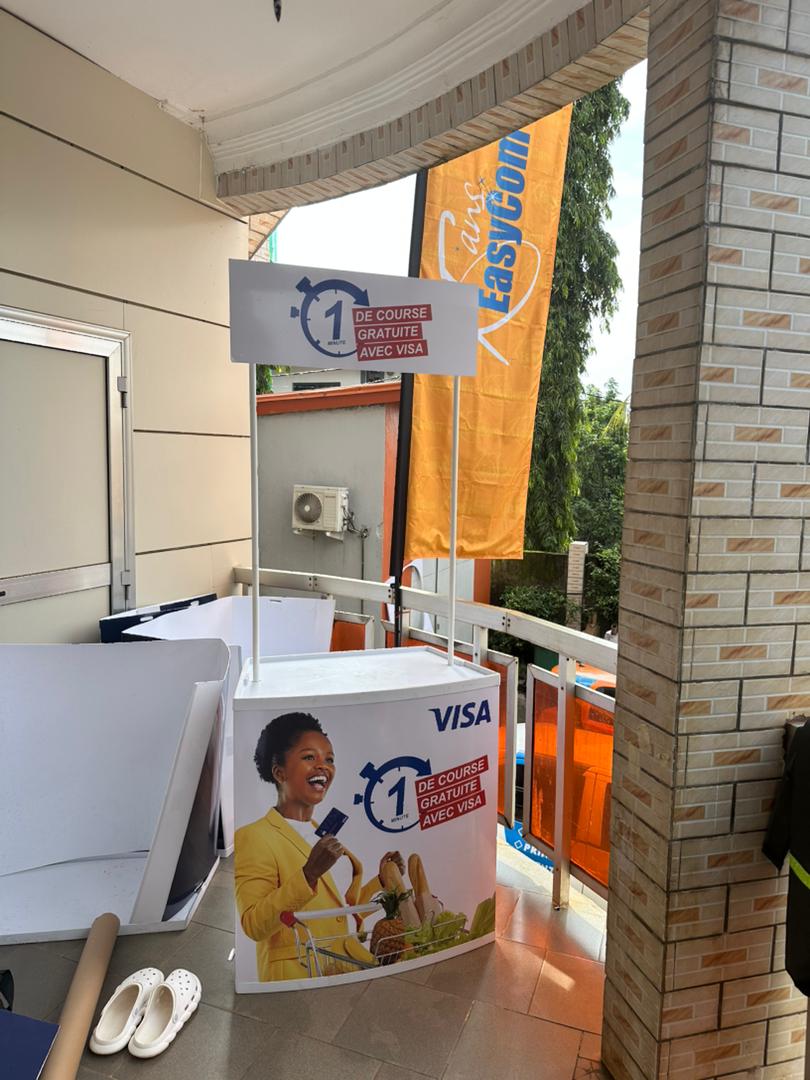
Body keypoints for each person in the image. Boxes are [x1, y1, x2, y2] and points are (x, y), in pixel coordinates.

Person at [234, 711, 402, 982]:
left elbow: (339, 912)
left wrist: (382, 880)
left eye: (329, 759)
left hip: (347, 968)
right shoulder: (254, 836)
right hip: (298, 975)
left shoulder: (319, 832)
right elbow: (254, 925)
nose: (323, 766)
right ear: (279, 772)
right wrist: (308, 874)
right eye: (309, 757)